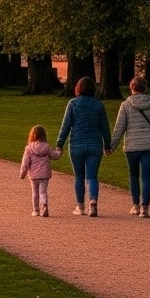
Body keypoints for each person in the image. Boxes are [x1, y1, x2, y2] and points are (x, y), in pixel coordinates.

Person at [56, 76, 112, 216]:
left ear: (78, 88)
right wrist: (108, 145)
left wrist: (59, 144)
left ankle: (80, 207)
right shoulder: (99, 105)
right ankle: (92, 202)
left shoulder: (73, 104)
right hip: (95, 144)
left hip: (77, 144)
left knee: (79, 177)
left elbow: (66, 126)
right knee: (92, 176)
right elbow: (105, 127)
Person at [112, 76, 150, 218]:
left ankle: (135, 205)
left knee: (134, 176)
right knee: (147, 177)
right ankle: (145, 208)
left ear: (131, 88)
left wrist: (112, 146)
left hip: (132, 146)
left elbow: (119, 128)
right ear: (145, 88)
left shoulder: (126, 105)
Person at [20, 124, 62, 217]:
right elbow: (54, 156)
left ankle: (36, 210)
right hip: (44, 175)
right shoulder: (46, 147)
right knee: (43, 192)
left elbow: (25, 162)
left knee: (35, 193)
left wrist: (22, 173)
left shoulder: (29, 148)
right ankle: (44, 205)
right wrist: (59, 151)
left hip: (34, 175)